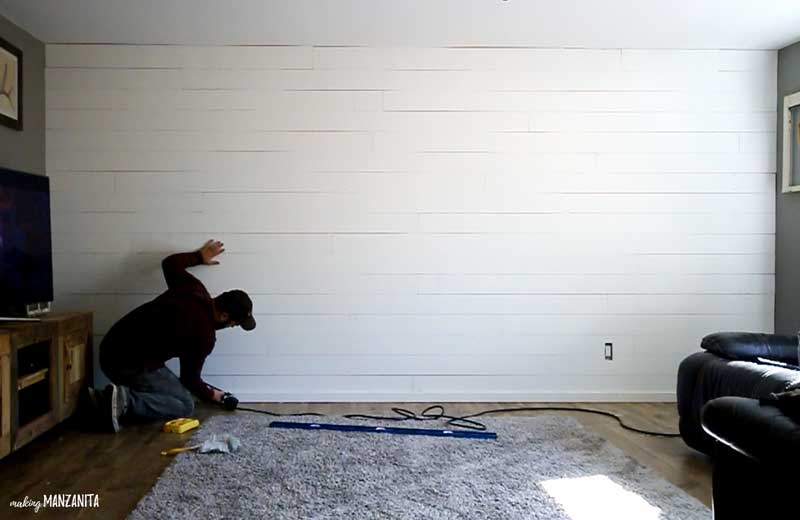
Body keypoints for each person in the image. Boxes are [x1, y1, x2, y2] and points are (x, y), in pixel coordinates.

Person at [88, 239, 256, 432]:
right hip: (128, 365)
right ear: (224, 315)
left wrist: (199, 257)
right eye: (234, 323)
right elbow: (190, 380)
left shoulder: (194, 290)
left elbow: (170, 263)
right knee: (184, 404)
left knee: (170, 387)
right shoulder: (204, 337)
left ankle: (108, 398)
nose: (232, 326)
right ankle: (124, 401)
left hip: (110, 345)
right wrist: (215, 396)